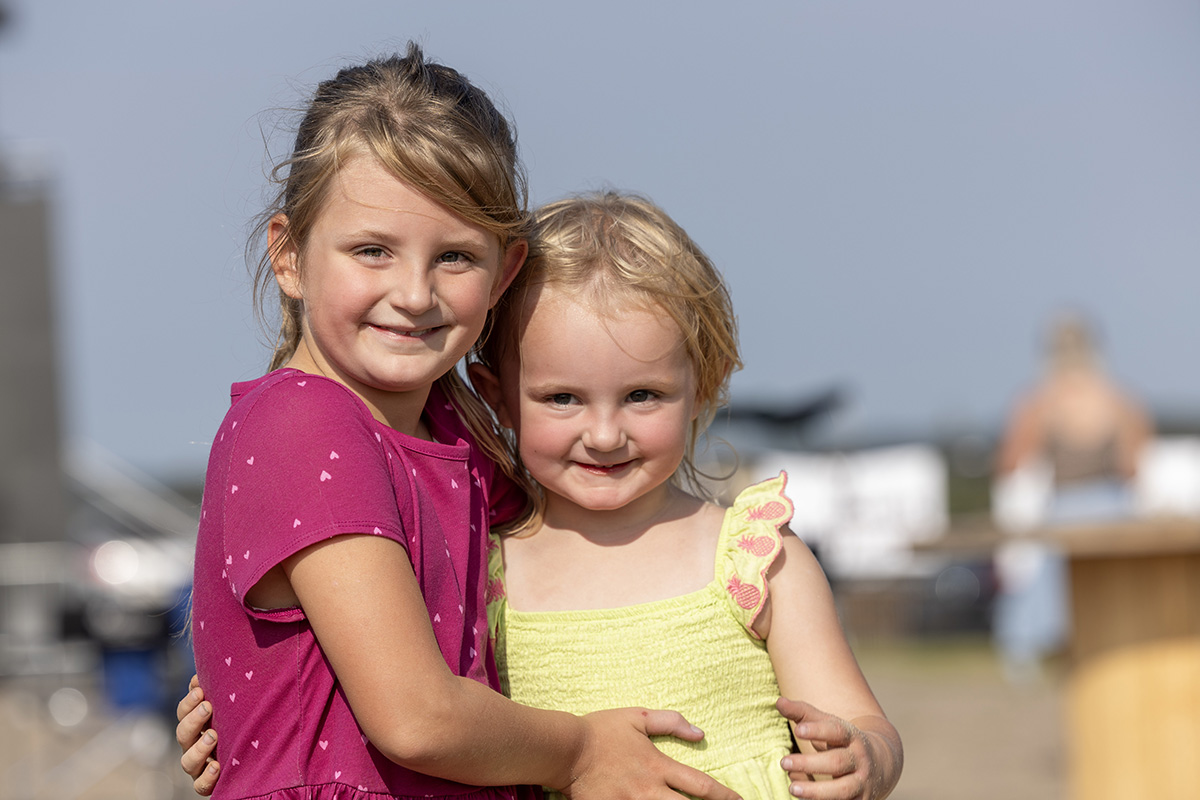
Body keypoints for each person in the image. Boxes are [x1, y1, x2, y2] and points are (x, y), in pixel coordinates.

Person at [185, 46, 740, 800]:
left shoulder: (454, 432)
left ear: (504, 273)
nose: (414, 294)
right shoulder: (302, 425)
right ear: (289, 255)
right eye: (372, 251)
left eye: (453, 256)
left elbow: (576, 550)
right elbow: (417, 719)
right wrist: (583, 752)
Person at [992, 312, 1152, 681]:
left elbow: (1011, 462)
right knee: (1114, 589)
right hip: (1114, 509)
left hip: (1065, 509)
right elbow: (1133, 467)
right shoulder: (1119, 400)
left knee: (1051, 589)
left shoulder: (1040, 402)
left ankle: (1029, 656)